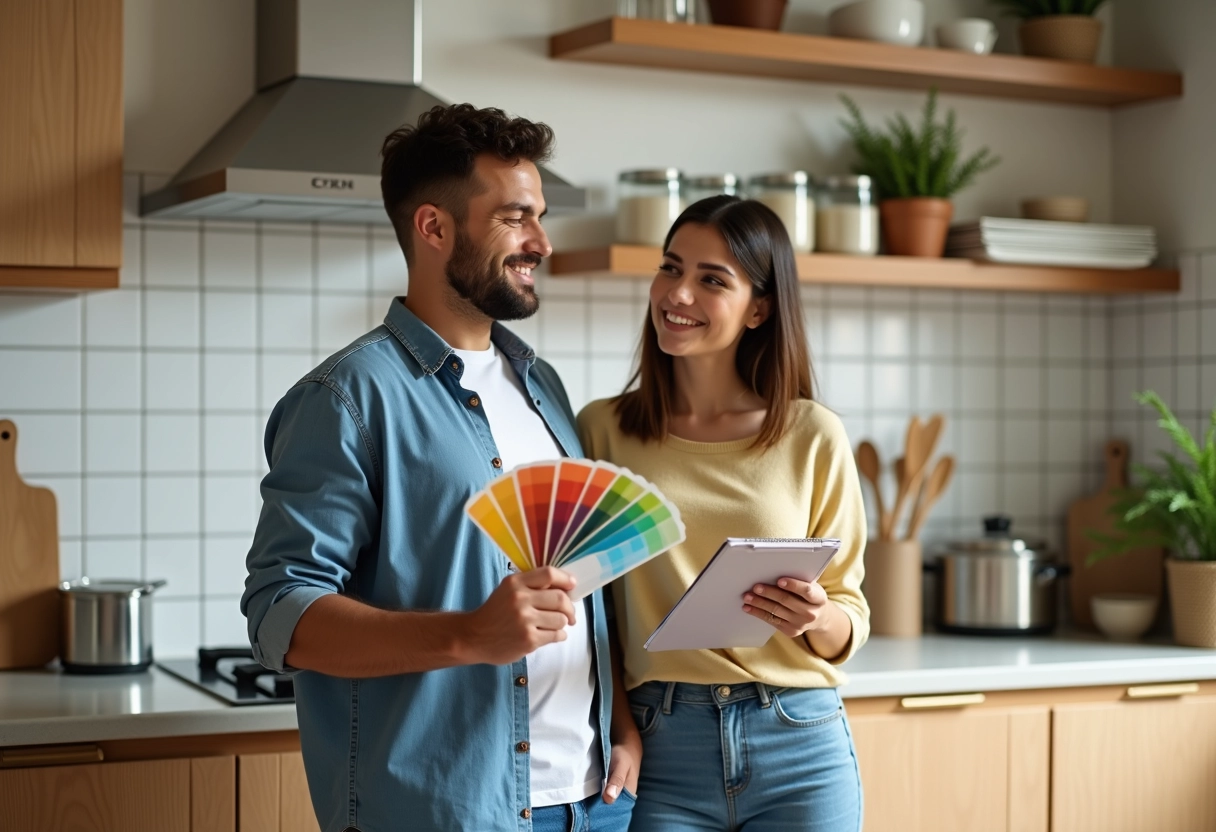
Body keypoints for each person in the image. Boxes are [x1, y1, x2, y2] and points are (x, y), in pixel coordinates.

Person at [242, 104, 639, 832]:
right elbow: (281, 612)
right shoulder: (348, 397)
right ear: (434, 228)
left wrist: (621, 727)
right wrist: (468, 635)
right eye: (515, 218)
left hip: (594, 803)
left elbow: (577, 582)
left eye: (540, 216)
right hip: (447, 810)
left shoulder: (543, 386)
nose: (542, 242)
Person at [577, 195, 870, 832]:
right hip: (660, 745)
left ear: (759, 309)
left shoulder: (812, 433)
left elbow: (849, 614)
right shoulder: (602, 430)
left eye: (712, 280)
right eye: (670, 267)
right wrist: (622, 730)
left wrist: (817, 616)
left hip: (798, 739)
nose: (677, 294)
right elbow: (592, 611)